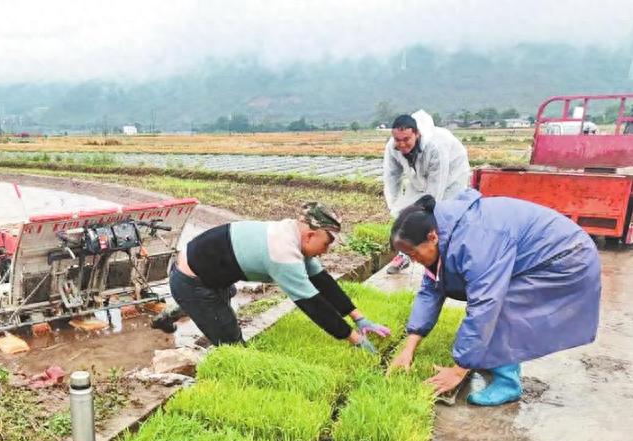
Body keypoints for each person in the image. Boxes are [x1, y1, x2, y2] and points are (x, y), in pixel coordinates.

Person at [388, 190, 601, 406]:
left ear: (432, 237)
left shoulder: (474, 241)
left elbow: (485, 306)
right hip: (546, 256)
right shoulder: (447, 233)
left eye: (414, 254)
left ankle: (508, 383)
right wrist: (408, 349)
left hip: (566, 258)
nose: (414, 261)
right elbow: (431, 289)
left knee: (503, 305)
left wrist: (459, 369)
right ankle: (493, 359)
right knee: (490, 300)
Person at [169, 202, 391, 351]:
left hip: (212, 275)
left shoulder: (292, 234)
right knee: (233, 345)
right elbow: (313, 305)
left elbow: (322, 281)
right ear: (311, 235)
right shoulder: (282, 253)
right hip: (192, 282)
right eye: (326, 244)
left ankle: (183, 310)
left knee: (223, 305)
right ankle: (189, 306)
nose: (326, 251)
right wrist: (354, 339)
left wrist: (358, 317)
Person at [383, 111, 471, 274]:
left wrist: (426, 215)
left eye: (406, 139)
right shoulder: (392, 147)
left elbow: (435, 192)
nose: (401, 144)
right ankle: (405, 255)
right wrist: (394, 207)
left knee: (444, 217)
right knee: (404, 213)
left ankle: (445, 258)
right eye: (397, 140)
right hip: (418, 178)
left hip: (451, 177)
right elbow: (391, 177)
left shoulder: (436, 146)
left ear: (417, 134)